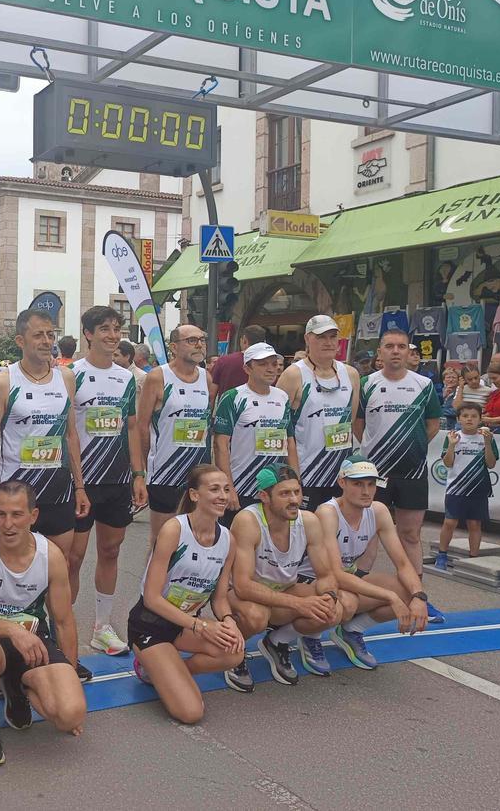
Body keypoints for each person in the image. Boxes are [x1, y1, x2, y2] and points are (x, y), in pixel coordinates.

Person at [0, 309, 91, 676]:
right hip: (18, 499)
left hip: (58, 492)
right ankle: (8, 650)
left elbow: (71, 434)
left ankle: (55, 643)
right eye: (39, 335)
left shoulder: (67, 379)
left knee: (61, 569)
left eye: (51, 333)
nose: (47, 341)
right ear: (21, 341)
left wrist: (80, 485)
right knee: (16, 571)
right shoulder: (3, 382)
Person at [0, 480, 86, 765]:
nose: (7, 524)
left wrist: (70, 677)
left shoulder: (51, 556)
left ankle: (14, 684)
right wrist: (12, 630)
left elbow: (63, 622)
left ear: (33, 516)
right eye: (1, 514)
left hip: (33, 640)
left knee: (70, 713)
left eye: (16, 515)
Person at [128, 466, 247, 722]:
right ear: (194, 495)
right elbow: (152, 598)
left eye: (226, 489)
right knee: (191, 713)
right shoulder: (175, 530)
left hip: (186, 626)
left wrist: (229, 622)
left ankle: (169, 671)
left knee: (235, 651)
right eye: (214, 489)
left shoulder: (228, 539)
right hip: (152, 625)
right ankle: (151, 665)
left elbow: (219, 599)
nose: (223, 496)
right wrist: (202, 626)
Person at [301, 456, 429, 673]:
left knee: (407, 590)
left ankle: (351, 631)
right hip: (312, 581)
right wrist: (390, 597)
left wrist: (419, 597)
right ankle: (309, 637)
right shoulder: (328, 512)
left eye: (371, 484)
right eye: (358, 484)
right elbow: (335, 575)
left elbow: (403, 564)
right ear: (342, 483)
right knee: (347, 604)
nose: (366, 491)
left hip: (345, 580)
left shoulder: (378, 511)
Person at [69, 306, 146, 656]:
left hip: (116, 480)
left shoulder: (126, 377)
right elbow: (66, 431)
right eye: (104, 329)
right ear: (88, 334)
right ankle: (62, 624)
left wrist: (138, 474)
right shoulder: (72, 375)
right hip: (80, 481)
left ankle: (101, 626)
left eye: (116, 329)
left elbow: (130, 427)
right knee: (72, 557)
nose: (112, 336)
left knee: (110, 550)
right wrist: (75, 479)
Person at [228, 465, 348, 688]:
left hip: (282, 592)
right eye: (284, 494)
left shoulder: (309, 521)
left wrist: (329, 597)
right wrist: (300, 605)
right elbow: (243, 586)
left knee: (334, 611)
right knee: (256, 616)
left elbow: (326, 575)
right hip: (241, 596)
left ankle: (276, 641)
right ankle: (234, 652)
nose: (294, 499)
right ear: (264, 496)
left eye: (297, 491)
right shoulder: (248, 521)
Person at [353, 329, 443, 621]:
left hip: (413, 472)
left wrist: (411, 449)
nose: (395, 351)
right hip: (375, 474)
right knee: (368, 535)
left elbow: (433, 424)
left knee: (410, 534)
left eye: (401, 347)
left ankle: (419, 596)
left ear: (408, 352)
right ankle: (358, 595)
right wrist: (376, 450)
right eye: (389, 346)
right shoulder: (366, 384)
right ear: (380, 352)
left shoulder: (424, 384)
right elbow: (359, 424)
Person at [137, 324, 213, 543]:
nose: (199, 344)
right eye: (191, 340)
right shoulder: (158, 377)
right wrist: (143, 469)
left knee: (195, 539)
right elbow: (142, 426)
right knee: (163, 542)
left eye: (202, 339)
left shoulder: (206, 378)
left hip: (197, 474)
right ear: (174, 347)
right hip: (165, 473)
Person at [276, 315, 361, 511]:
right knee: (308, 534)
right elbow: (279, 427)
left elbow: (351, 419)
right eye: (321, 337)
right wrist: (292, 475)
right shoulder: (293, 374)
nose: (328, 342)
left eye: (332, 337)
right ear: (307, 339)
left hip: (341, 474)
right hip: (307, 473)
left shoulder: (351, 374)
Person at [213, 342, 294, 526]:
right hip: (243, 488)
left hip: (275, 487)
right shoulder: (233, 397)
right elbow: (220, 445)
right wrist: (228, 488)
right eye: (263, 364)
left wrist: (295, 483)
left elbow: (290, 442)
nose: (270, 369)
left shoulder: (282, 397)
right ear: (247, 368)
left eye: (274, 364)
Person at [434, 406, 499, 570]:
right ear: (458, 419)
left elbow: (491, 463)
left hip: (478, 489)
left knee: (475, 524)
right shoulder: (453, 437)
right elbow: (448, 463)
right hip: (456, 488)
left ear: (480, 419)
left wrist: (487, 443)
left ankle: (473, 558)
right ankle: (442, 555)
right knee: (449, 522)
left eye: (473, 416)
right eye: (465, 416)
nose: (469, 419)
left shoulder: (487, 438)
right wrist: (452, 446)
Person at [211, 324, 265, 394]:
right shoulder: (270, 364)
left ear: (244, 340)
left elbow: (212, 393)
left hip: (228, 404)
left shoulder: (223, 361)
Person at [439, 367, 460, 431]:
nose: (451, 380)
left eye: (453, 377)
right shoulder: (438, 392)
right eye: (448, 377)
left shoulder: (460, 393)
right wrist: (443, 396)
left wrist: (439, 411)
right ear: (443, 380)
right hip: (438, 426)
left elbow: (456, 411)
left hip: (452, 427)